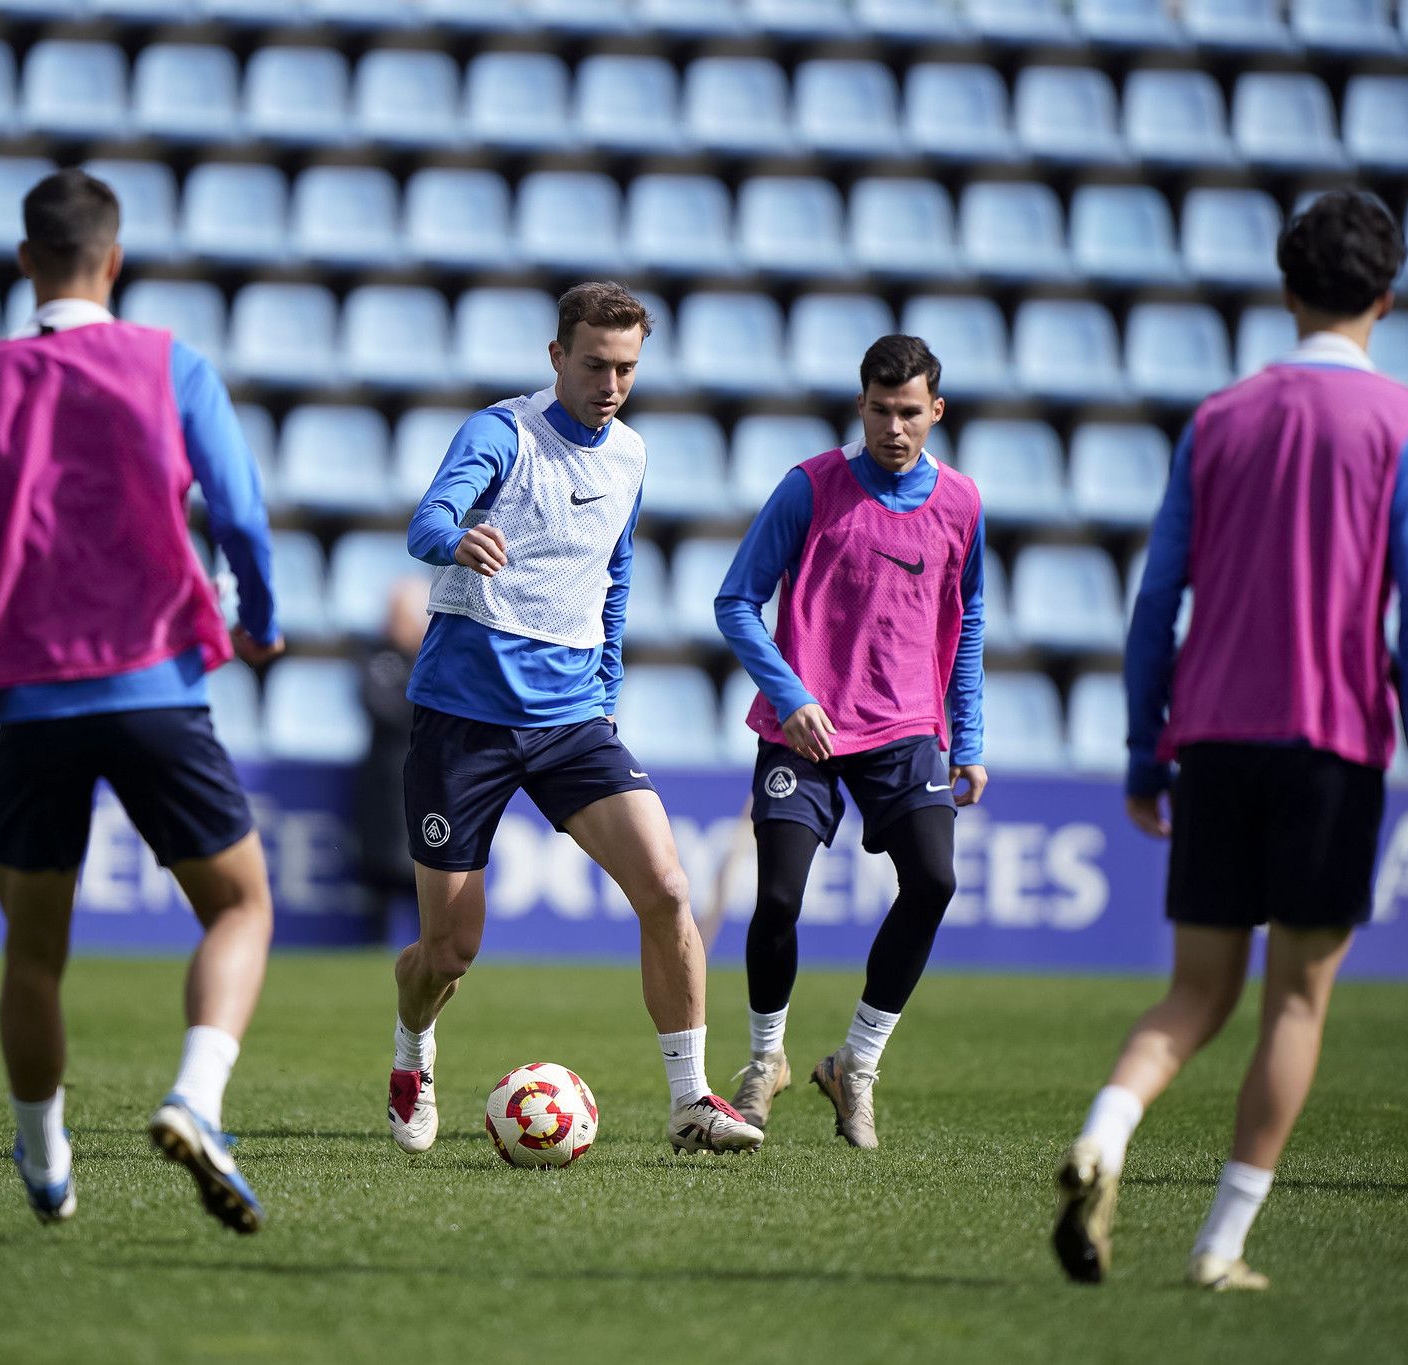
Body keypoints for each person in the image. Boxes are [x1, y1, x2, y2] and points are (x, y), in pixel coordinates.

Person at [1052, 191, 1408, 1291]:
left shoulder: (1218, 419)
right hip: (1330, 743)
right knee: (1293, 999)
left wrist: (1146, 749)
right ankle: (1218, 1246)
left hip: (1214, 740)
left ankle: (1105, 1126)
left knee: (1192, 993)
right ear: (1386, 297)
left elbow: (1155, 606)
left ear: (1284, 291)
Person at [0, 168, 283, 1232]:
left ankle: (42, 1153)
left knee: (32, 954)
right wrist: (256, 612)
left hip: (30, 705)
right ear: (113, 260)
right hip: (156, 686)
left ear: (25, 260)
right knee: (241, 906)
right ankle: (194, 1100)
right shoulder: (171, 362)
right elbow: (241, 515)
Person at [388, 281, 762, 1157]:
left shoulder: (631, 455)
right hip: (463, 720)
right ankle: (413, 1051)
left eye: (627, 367)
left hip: (570, 721)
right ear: (557, 356)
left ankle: (689, 1101)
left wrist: (606, 681)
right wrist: (457, 538)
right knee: (448, 952)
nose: (611, 382)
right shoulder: (501, 433)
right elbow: (426, 520)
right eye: (595, 363)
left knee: (668, 889)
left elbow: (616, 573)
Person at [713, 335, 986, 1148]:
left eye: (910, 413)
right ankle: (767, 1061)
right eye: (880, 410)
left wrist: (966, 737)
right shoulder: (810, 488)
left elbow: (965, 624)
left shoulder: (963, 503)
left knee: (934, 880)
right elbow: (736, 602)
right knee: (780, 900)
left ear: (936, 410)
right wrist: (789, 695)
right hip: (807, 730)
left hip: (906, 730)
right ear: (860, 405)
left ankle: (855, 1064)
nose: (894, 428)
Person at [353, 578, 430, 942]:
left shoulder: (436, 658)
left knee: (429, 878)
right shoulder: (377, 657)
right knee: (380, 879)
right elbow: (380, 705)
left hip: (428, 778)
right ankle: (373, 948)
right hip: (384, 779)